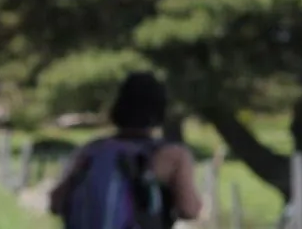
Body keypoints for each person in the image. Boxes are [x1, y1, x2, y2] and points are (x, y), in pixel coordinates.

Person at [48, 72, 204, 228]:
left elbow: (56, 204)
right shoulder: (173, 155)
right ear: (161, 109)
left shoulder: (91, 150)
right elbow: (189, 210)